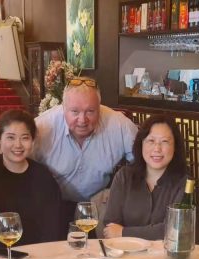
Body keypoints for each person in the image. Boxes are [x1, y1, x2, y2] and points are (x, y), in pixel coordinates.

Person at [33, 77, 138, 223]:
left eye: (90, 111)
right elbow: (20, 166)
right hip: (52, 205)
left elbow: (144, 162)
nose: (82, 120)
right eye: (74, 111)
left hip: (99, 206)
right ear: (63, 108)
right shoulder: (42, 128)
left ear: (99, 107)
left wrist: (124, 193)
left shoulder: (120, 125)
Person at [103, 115, 188, 241]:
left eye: (165, 141)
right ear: (141, 144)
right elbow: (110, 227)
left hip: (164, 253)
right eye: (151, 141)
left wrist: (124, 232)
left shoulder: (184, 183)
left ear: (175, 147)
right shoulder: (124, 176)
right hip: (124, 250)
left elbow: (175, 230)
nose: (157, 149)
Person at [0, 109, 64, 245]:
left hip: (35, 251)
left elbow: (51, 228)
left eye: (25, 138)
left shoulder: (43, 177)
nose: (18, 145)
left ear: (33, 141)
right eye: (10, 137)